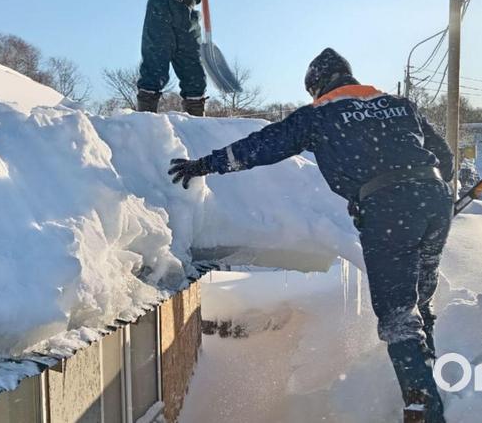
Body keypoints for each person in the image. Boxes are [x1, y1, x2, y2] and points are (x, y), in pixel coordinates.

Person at [168, 47, 454, 423]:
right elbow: (445, 159)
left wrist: (206, 164)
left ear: (316, 87)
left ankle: (424, 409)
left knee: (398, 313)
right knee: (421, 297)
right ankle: (430, 374)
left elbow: (261, 147)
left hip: (387, 208)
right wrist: (424, 190)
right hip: (435, 200)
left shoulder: (319, 115)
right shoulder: (400, 105)